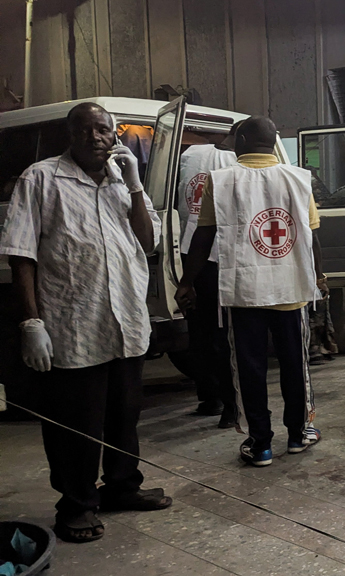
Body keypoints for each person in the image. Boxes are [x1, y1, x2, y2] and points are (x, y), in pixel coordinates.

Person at [1, 102, 172, 543]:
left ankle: (120, 487)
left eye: (103, 130)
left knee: (124, 414)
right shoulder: (41, 178)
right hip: (72, 324)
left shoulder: (122, 180)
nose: (95, 137)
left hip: (125, 322)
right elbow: (21, 253)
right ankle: (76, 505)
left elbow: (148, 241)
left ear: (115, 135)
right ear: (70, 135)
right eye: (85, 130)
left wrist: (135, 187)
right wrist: (31, 322)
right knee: (75, 423)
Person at [175, 116, 324, 468]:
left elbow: (203, 236)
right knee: (293, 365)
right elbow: (312, 235)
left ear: (241, 139)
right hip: (291, 289)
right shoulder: (299, 178)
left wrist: (187, 281)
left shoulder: (222, 181)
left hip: (244, 292)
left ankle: (260, 444)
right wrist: (319, 276)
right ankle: (299, 433)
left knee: (250, 368)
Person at [177, 121, 240, 427]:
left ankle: (211, 397)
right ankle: (229, 404)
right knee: (222, 337)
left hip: (195, 257)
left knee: (202, 333)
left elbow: (193, 223)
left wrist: (187, 278)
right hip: (224, 260)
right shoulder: (240, 164)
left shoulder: (191, 156)